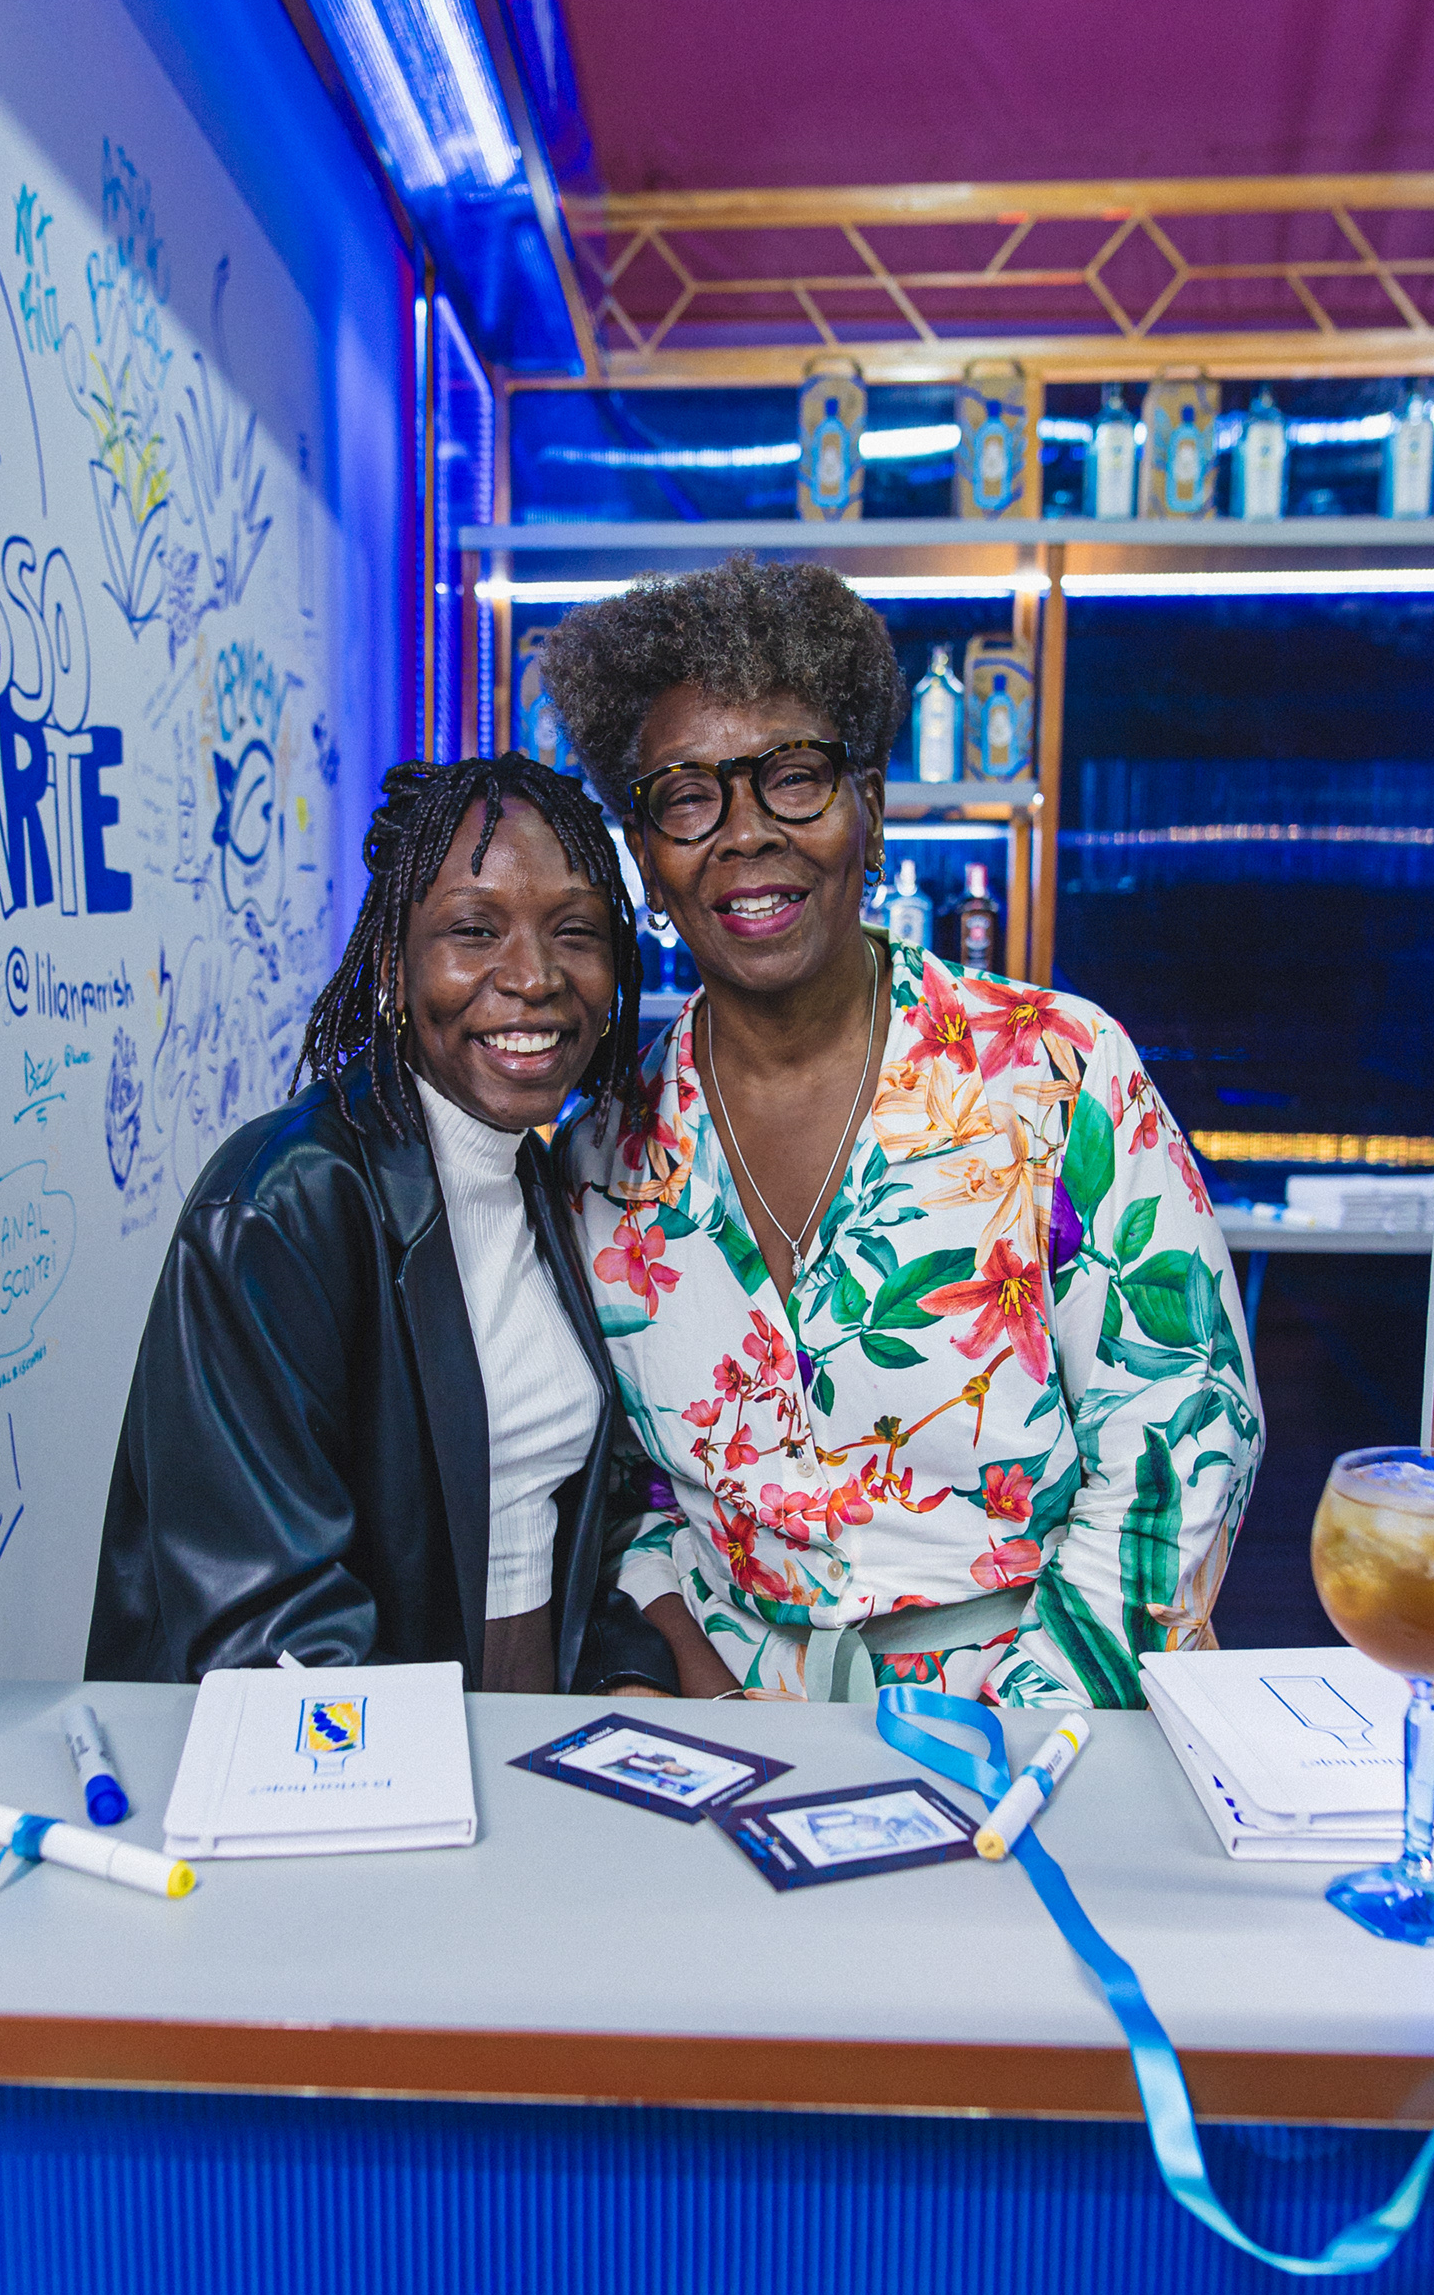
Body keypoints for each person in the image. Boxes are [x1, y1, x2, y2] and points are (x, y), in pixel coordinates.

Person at [543, 560, 1263, 1706]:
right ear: (646, 857)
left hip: (1048, 1715)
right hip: (729, 1727)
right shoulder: (601, 1157)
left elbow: (1179, 1436)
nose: (743, 834)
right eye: (686, 797)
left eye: (794, 778)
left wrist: (1020, 1734)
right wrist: (702, 1692)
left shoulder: (1054, 1074)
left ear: (869, 809)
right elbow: (627, 1492)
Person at [86, 752, 677, 1699]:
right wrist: (446, 1771)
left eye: (576, 931)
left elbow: (565, 1520)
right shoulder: (280, 1207)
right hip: (354, 1754)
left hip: (531, 1728)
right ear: (396, 970)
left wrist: (623, 1676)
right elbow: (267, 1628)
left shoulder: (540, 1173)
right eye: (474, 931)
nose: (534, 977)